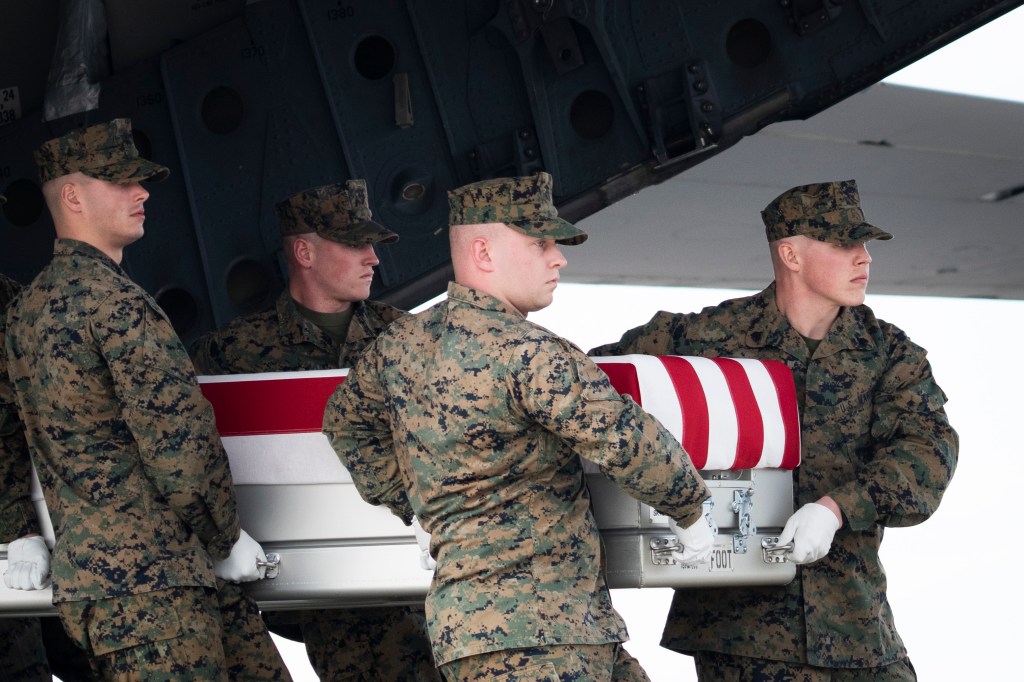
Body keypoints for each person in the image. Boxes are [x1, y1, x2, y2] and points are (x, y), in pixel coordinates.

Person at [322, 171, 716, 682]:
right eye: (540, 243)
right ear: (483, 253)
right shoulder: (527, 352)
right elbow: (624, 438)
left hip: (482, 632)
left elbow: (345, 424)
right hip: (545, 635)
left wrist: (413, 503)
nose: (559, 258)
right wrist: (689, 507)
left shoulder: (399, 347)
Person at [590, 179, 959, 681]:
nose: (864, 258)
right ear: (791, 254)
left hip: (856, 628)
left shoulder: (889, 353)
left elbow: (928, 455)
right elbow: (591, 382)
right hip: (741, 636)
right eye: (844, 243)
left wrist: (836, 509)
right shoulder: (711, 336)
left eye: (865, 244)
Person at [3, 118, 292, 680]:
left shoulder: (23, 314)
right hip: (164, 585)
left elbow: (4, 433)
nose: (141, 193)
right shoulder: (116, 305)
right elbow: (178, 444)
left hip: (116, 590)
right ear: (71, 197)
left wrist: (17, 528)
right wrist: (224, 536)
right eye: (120, 181)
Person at [191, 180, 441, 681]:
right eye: (355, 244)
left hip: (411, 585)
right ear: (304, 252)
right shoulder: (229, 356)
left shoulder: (412, 341)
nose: (373, 258)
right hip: (306, 589)